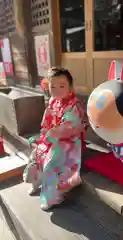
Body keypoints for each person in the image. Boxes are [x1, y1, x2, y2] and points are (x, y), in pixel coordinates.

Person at [23, 67, 86, 211]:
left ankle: (54, 196)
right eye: (53, 86)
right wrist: (44, 132)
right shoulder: (52, 101)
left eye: (62, 86)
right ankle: (36, 181)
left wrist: (54, 133)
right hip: (53, 137)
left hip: (70, 142)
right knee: (37, 153)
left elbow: (72, 126)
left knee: (52, 161)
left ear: (70, 87)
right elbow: (47, 120)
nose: (57, 89)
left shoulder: (74, 105)